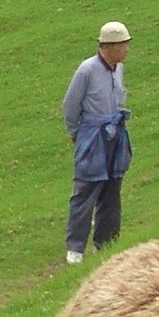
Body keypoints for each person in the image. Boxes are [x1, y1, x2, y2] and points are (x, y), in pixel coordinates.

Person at [61, 21, 133, 264]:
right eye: (123, 45)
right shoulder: (87, 70)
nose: (126, 50)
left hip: (114, 132)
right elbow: (71, 105)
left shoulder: (118, 69)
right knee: (86, 189)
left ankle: (107, 242)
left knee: (112, 189)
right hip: (93, 133)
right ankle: (75, 247)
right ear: (109, 46)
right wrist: (75, 131)